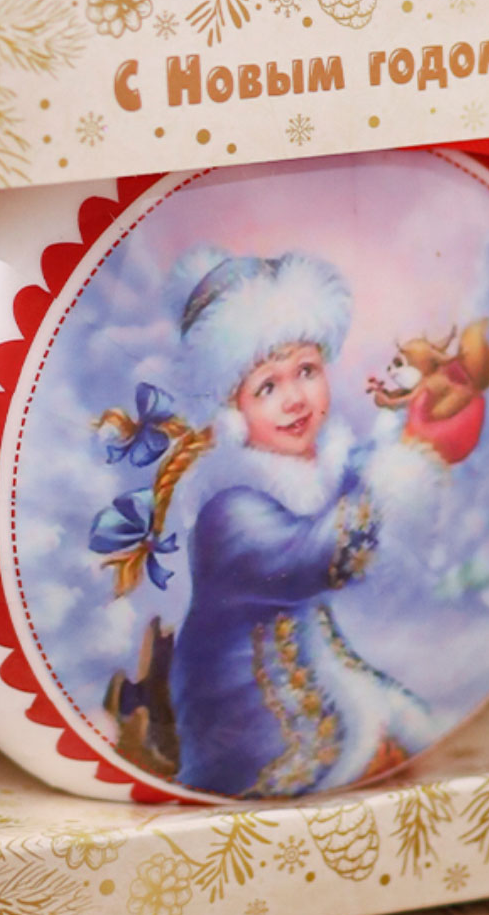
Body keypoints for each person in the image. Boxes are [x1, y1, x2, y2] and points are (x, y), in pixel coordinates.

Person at [164, 249, 441, 797]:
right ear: (233, 410)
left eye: (307, 372)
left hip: (320, 677)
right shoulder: (229, 508)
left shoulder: (318, 469)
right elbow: (317, 557)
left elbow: (359, 484)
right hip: (245, 712)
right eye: (267, 387)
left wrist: (400, 437)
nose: (294, 399)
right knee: (369, 750)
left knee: (406, 733)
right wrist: (389, 479)